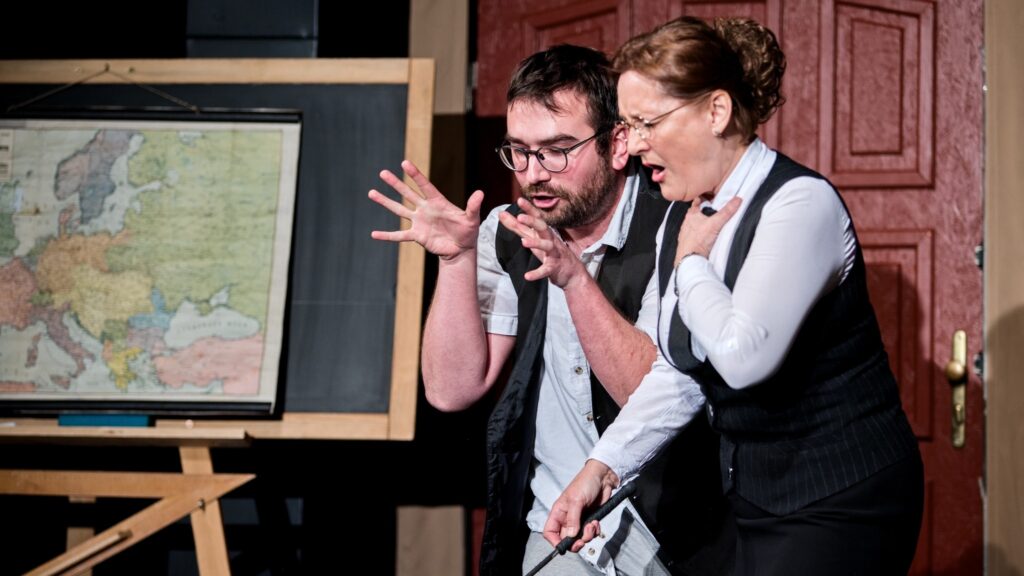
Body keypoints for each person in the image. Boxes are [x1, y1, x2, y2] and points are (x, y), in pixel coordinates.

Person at [544, 17, 924, 576]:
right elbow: (681, 373)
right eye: (628, 125)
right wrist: (601, 467)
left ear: (716, 112)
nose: (636, 143)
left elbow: (743, 357)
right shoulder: (683, 216)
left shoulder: (800, 205)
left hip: (842, 496)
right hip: (755, 499)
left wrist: (692, 264)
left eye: (647, 122)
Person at [369, 45, 732, 576]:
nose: (534, 173)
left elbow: (647, 394)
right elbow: (451, 390)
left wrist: (574, 278)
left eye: (557, 150)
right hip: (559, 528)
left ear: (617, 143)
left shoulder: (677, 226)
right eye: (519, 151)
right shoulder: (507, 232)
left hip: (675, 532)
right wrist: (456, 259)